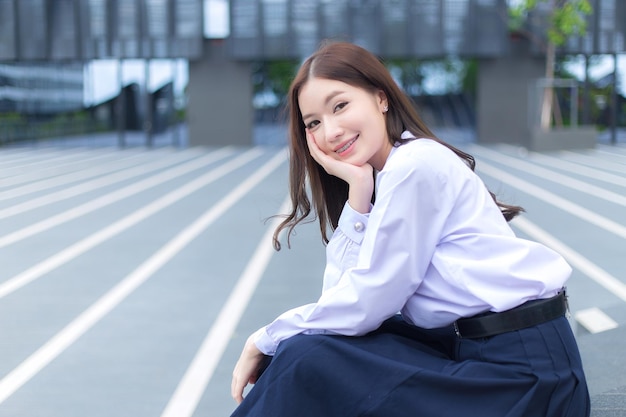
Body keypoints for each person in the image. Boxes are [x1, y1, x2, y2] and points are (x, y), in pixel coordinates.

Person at [230, 41, 590, 417]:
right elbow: (340, 305)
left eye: (340, 106)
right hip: (484, 354)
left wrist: (264, 338)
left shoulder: (415, 165)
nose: (331, 131)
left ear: (381, 99)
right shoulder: (389, 175)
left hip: (524, 377)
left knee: (305, 356)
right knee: (306, 349)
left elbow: (367, 303)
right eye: (314, 123)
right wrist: (358, 194)